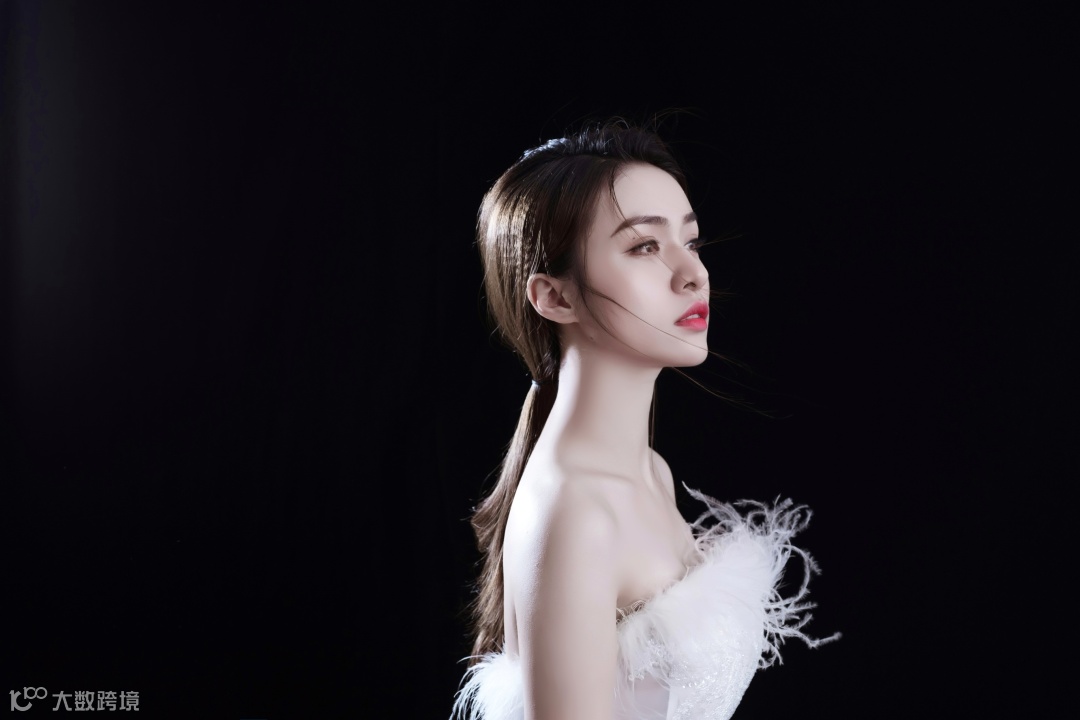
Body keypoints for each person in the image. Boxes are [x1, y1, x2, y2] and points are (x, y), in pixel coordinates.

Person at [452, 121, 836, 720]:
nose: (693, 274)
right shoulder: (575, 512)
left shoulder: (649, 472)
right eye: (644, 247)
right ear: (555, 297)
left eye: (691, 242)